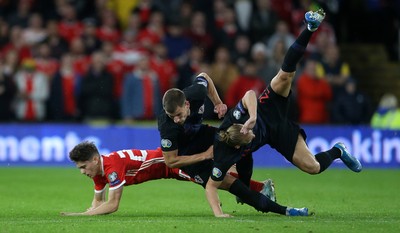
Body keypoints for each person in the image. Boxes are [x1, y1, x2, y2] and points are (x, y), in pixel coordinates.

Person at [205, 9, 363, 217]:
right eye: (248, 139)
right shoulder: (229, 154)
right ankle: (338, 151)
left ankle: (309, 28)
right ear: (238, 145)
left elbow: (249, 94)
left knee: (285, 76)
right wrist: (219, 212)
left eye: (248, 133)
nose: (250, 134)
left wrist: (252, 117)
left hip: (266, 110)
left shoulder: (234, 121)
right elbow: (211, 185)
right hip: (276, 133)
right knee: (312, 167)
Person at [159, 73, 308, 217]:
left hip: (202, 135)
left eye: (178, 115)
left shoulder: (196, 92)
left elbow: (205, 77)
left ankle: (246, 186)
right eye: (172, 116)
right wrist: (204, 156)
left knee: (241, 143)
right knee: (232, 185)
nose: (176, 120)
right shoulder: (168, 127)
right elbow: (171, 161)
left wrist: (217, 102)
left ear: (186, 104)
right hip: (188, 155)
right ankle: (278, 207)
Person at [60, 141, 273, 216]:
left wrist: (79, 216)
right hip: (163, 164)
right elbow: (98, 201)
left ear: (95, 159)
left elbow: (112, 205)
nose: (82, 172)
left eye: (83, 166)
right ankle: (258, 187)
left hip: (168, 166)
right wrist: (89, 211)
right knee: (217, 179)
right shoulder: (99, 171)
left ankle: (261, 188)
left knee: (215, 181)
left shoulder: (112, 168)